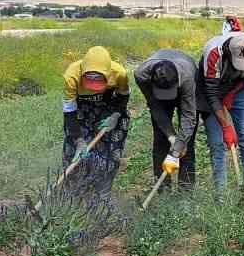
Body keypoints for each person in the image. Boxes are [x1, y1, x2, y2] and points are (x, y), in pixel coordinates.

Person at [60, 45, 131, 192]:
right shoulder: (71, 76)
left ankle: (101, 192)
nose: (93, 87)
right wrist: (79, 141)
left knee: (110, 153)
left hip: (109, 108)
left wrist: (116, 115)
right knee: (75, 152)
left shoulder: (120, 73)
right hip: (82, 109)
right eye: (89, 80)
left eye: (98, 81)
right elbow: (69, 112)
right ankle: (73, 191)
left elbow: (123, 96)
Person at [199, 26, 244, 187]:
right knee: (217, 144)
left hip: (238, 89)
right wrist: (226, 125)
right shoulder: (214, 54)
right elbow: (211, 93)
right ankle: (221, 195)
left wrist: (233, 93)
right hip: (212, 89)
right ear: (229, 54)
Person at [133, 49, 200, 190]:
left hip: (185, 89)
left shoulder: (187, 77)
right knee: (160, 139)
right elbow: (155, 106)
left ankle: (186, 190)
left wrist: (177, 148)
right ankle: (162, 189)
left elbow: (189, 117)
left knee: (187, 142)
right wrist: (170, 136)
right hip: (157, 97)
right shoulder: (142, 75)